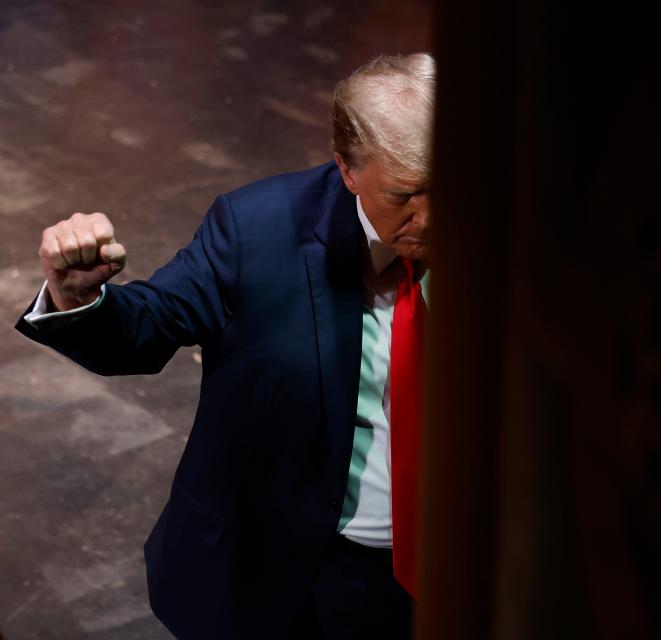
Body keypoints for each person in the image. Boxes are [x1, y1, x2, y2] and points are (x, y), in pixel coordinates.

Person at [14, 52, 434, 640]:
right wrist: (77, 300)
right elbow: (148, 328)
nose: (433, 216)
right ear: (348, 170)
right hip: (284, 566)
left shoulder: (514, 233)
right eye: (404, 196)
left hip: (445, 567)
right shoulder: (258, 229)